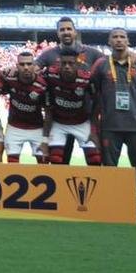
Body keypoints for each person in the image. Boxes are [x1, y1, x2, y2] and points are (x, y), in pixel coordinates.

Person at [89, 28, 136, 223]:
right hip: (110, 126)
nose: (119, 40)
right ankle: (111, 207)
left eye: (122, 37)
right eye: (115, 37)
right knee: (110, 169)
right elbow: (92, 92)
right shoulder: (101, 65)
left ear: (128, 41)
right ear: (109, 41)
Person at [36, 17, 104, 163]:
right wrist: (12, 69)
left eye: (69, 29)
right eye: (62, 30)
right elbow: (31, 69)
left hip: (84, 119)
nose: (66, 32)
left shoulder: (92, 53)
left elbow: (111, 65)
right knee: (61, 161)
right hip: (59, 120)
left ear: (75, 31)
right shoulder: (49, 54)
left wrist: (130, 55)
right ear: (57, 33)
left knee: (96, 160)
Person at [40, 50, 101, 165]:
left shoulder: (87, 79)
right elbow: (34, 77)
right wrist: (45, 139)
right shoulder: (50, 74)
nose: (67, 66)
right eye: (64, 63)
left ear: (77, 64)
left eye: (70, 63)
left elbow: (98, 102)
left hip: (81, 122)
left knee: (95, 160)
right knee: (55, 160)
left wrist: (94, 130)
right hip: (59, 123)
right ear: (59, 63)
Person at [2, 51, 48, 164]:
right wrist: (1, 72)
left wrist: (46, 138)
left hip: (36, 128)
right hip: (14, 127)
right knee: (12, 164)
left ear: (34, 65)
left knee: (44, 162)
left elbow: (49, 113)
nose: (26, 67)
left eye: (29, 64)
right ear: (17, 66)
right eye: (22, 64)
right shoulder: (10, 79)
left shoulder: (43, 86)